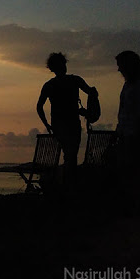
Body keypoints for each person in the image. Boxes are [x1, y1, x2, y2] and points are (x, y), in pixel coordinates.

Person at [36, 52, 96, 188]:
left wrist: (47, 125)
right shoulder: (75, 80)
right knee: (71, 156)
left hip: (61, 125)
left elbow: (39, 106)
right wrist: (87, 110)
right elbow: (91, 92)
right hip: (71, 125)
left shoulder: (50, 85)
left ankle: (67, 185)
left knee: (69, 156)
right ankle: (69, 185)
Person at [115, 51, 140, 212]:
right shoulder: (128, 84)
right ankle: (131, 204)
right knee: (127, 170)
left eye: (121, 66)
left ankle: (139, 205)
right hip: (125, 133)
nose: (119, 70)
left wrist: (134, 133)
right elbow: (123, 109)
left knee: (136, 170)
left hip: (136, 134)